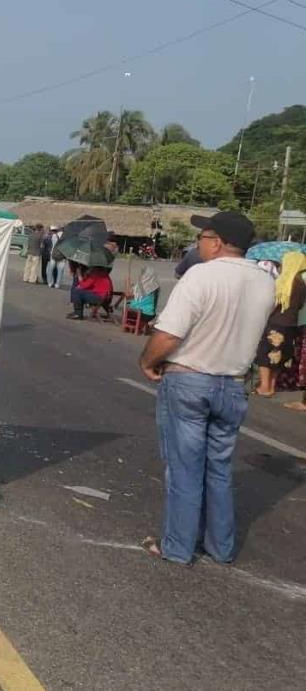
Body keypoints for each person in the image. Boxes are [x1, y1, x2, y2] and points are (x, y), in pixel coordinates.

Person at [138, 211, 274, 565]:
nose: (198, 243)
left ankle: (177, 547)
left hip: (190, 379)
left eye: (202, 237)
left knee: (184, 468)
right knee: (218, 468)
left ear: (215, 242)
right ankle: (220, 546)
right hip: (233, 383)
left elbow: (168, 334)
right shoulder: (264, 282)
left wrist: (148, 362)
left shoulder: (201, 275)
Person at [253, 251, 306, 397]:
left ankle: (264, 386)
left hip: (275, 323)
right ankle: (271, 386)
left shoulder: (282, 282)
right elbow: (301, 305)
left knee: (265, 354)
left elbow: (272, 304)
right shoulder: (301, 284)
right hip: (291, 325)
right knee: (279, 356)